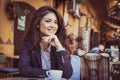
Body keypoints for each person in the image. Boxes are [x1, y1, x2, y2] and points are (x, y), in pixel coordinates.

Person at [18, 6, 73, 78]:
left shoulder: (60, 43)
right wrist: (49, 73)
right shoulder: (28, 43)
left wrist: (59, 48)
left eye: (56, 22)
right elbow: (23, 69)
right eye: (48, 21)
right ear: (37, 24)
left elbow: (67, 74)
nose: (53, 26)